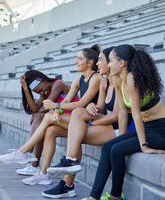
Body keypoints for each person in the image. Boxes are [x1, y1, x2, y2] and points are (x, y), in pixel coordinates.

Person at [52, 44, 165, 200]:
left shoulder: (132, 79)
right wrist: (121, 135)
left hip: (160, 131)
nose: (107, 64)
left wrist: (144, 145)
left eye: (110, 61)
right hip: (147, 128)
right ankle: (111, 198)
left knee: (117, 149)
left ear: (122, 63)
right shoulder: (118, 79)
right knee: (110, 147)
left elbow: (135, 113)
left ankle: (100, 199)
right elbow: (121, 115)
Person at [0, 45, 101, 186]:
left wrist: (56, 107)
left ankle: (24, 152)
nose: (76, 62)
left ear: (89, 63)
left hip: (90, 121)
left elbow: (82, 103)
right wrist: (56, 111)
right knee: (50, 130)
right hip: (77, 120)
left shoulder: (95, 78)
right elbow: (64, 101)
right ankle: (43, 174)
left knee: (46, 117)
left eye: (79, 59)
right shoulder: (79, 80)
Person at [41, 46, 120, 198]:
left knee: (74, 128)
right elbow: (101, 109)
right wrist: (92, 106)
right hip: (104, 123)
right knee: (61, 126)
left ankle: (68, 178)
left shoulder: (119, 82)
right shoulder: (104, 83)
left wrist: (58, 106)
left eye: (101, 60)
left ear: (113, 62)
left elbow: (118, 116)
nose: (98, 64)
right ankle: (66, 177)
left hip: (118, 129)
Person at [17, 70, 71, 176]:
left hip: (73, 118)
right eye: (39, 92)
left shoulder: (58, 84)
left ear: (43, 80)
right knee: (41, 125)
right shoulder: (46, 92)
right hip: (61, 119)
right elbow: (34, 108)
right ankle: (34, 165)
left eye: (41, 89)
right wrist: (26, 89)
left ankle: (28, 152)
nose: (42, 93)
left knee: (39, 117)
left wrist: (35, 115)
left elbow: (43, 109)